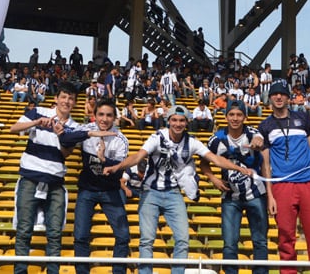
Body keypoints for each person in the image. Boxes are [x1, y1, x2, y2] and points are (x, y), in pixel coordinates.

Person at [103, 105, 253, 274]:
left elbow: (215, 159)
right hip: (150, 191)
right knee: (146, 240)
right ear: (168, 121)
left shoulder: (192, 141)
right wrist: (118, 167)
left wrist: (239, 169)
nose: (178, 124)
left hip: (173, 192)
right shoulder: (157, 137)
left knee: (182, 239)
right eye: (174, 120)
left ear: (187, 122)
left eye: (182, 120)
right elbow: (138, 156)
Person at [258, 79, 310, 274]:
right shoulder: (265, 126)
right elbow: (266, 166)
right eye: (275, 94)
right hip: (282, 186)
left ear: (289, 97)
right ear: (270, 98)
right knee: (286, 238)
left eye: (282, 94)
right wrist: (270, 196)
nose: (279, 97)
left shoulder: (303, 118)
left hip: (308, 183)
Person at [9, 83, 80, 274]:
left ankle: (53, 271)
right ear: (56, 98)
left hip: (55, 181)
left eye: (71, 98)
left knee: (55, 233)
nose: (67, 101)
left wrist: (61, 135)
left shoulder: (74, 126)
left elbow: (66, 154)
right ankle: (20, 271)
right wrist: (36, 122)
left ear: (74, 102)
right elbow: (13, 129)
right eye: (64, 96)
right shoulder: (38, 111)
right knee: (24, 230)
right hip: (30, 177)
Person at [200, 101, 268, 274]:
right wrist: (213, 178)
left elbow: (259, 140)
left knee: (260, 241)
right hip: (231, 197)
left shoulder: (253, 133)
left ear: (245, 117)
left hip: (256, 194)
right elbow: (204, 164)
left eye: (239, 115)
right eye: (231, 114)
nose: (235, 118)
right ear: (226, 116)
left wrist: (259, 143)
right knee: (230, 243)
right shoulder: (216, 140)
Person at [66, 99, 130, 274]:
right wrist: (89, 135)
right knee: (80, 236)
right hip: (87, 189)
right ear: (94, 116)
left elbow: (118, 172)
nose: (104, 119)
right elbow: (65, 137)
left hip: (111, 191)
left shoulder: (121, 139)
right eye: (101, 114)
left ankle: (118, 271)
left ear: (115, 118)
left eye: (109, 115)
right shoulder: (87, 129)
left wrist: (104, 160)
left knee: (123, 236)